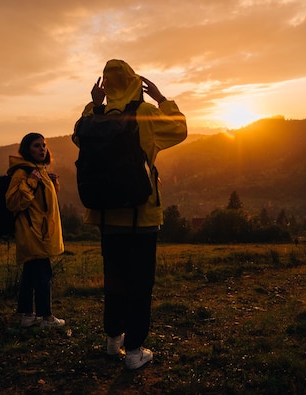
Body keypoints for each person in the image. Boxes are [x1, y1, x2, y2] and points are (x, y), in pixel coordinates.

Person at [72, 59, 187, 369]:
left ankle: (113, 340)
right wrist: (162, 99)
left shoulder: (94, 116)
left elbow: (78, 137)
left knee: (114, 279)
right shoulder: (145, 113)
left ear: (105, 86)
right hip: (142, 215)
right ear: (136, 82)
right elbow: (180, 128)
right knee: (140, 283)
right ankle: (135, 351)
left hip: (106, 215)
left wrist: (94, 105)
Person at [6, 132, 66, 328]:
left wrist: (51, 182)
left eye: (43, 145)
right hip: (32, 231)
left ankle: (25, 314)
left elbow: (44, 203)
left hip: (40, 230)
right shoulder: (22, 173)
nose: (42, 149)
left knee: (31, 273)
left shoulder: (39, 170)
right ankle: (46, 317)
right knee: (43, 273)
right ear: (26, 149)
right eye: (36, 146)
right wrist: (31, 182)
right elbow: (14, 202)